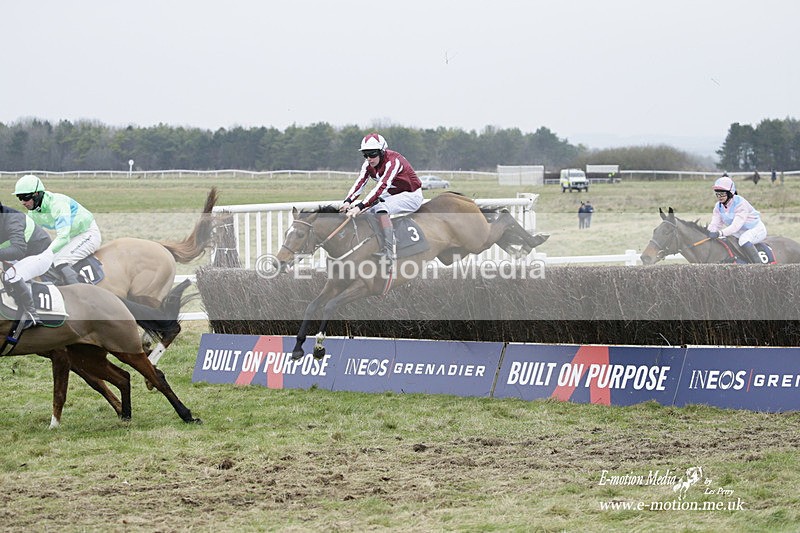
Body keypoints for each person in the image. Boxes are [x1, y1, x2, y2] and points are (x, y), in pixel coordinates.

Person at [339, 133, 423, 265]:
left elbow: (381, 187)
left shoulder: (393, 162)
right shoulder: (367, 165)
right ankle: (370, 245)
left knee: (379, 208)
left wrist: (360, 206)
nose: (369, 159)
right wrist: (347, 201)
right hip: (393, 194)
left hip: (411, 195)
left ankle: (389, 252)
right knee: (365, 213)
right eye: (365, 155)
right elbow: (360, 183)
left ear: (382, 151)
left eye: (372, 154)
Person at [14, 174, 101, 285]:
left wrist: (47, 253)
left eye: (25, 197)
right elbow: (27, 234)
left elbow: (63, 237)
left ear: (37, 194)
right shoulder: (34, 212)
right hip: (73, 237)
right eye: (19, 198)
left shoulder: (57, 204)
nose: (23, 202)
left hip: (88, 234)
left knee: (59, 260)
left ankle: (80, 292)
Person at [0, 202, 53, 328]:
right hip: (19, 256)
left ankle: (31, 315)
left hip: (39, 255)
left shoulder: (13, 219)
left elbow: (18, 249)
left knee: (11, 276)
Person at [707, 175, 767, 264]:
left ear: (730, 193)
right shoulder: (718, 206)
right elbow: (715, 224)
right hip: (738, 232)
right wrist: (708, 232)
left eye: (722, 194)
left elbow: (735, 226)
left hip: (755, 229)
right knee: (725, 239)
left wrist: (720, 233)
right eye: (717, 194)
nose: (720, 197)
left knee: (743, 240)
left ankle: (760, 267)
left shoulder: (740, 204)